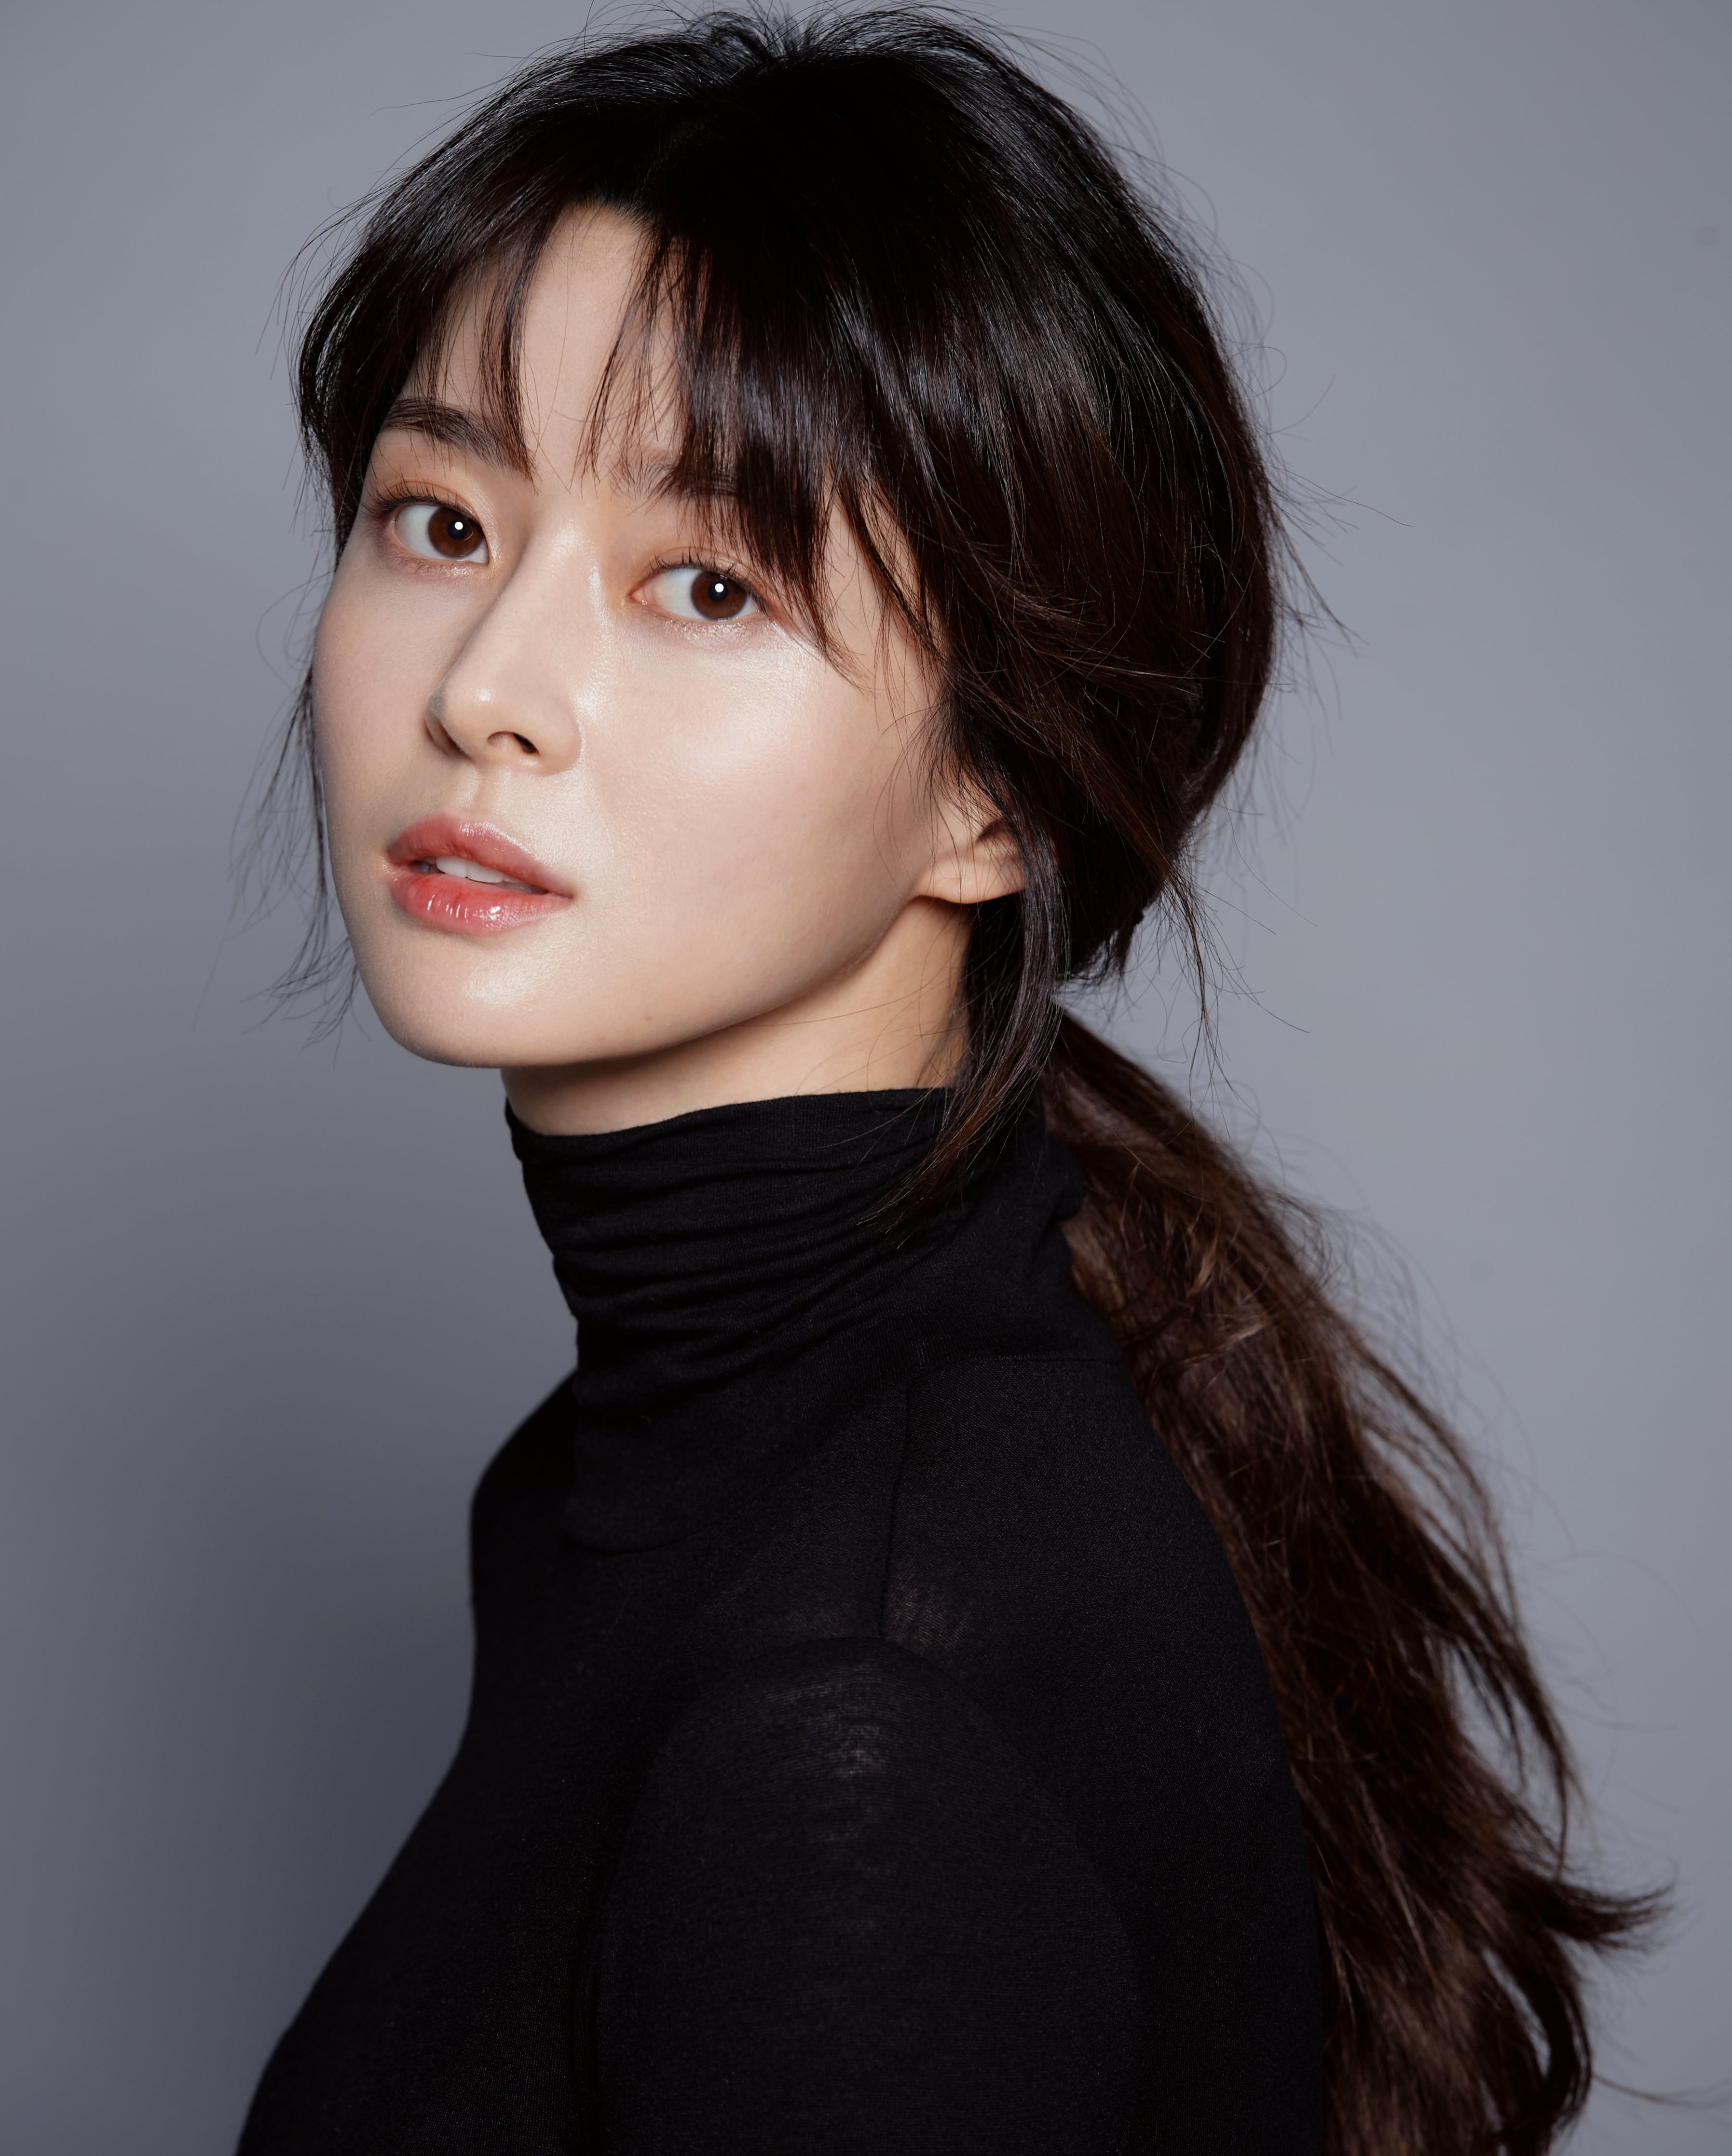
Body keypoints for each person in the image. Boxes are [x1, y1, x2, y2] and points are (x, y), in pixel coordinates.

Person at [237, 12, 1650, 2152]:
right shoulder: (670, 1473)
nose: (488, 689)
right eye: (439, 520)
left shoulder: (853, 1715)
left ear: (999, 790)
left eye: (706, 582)